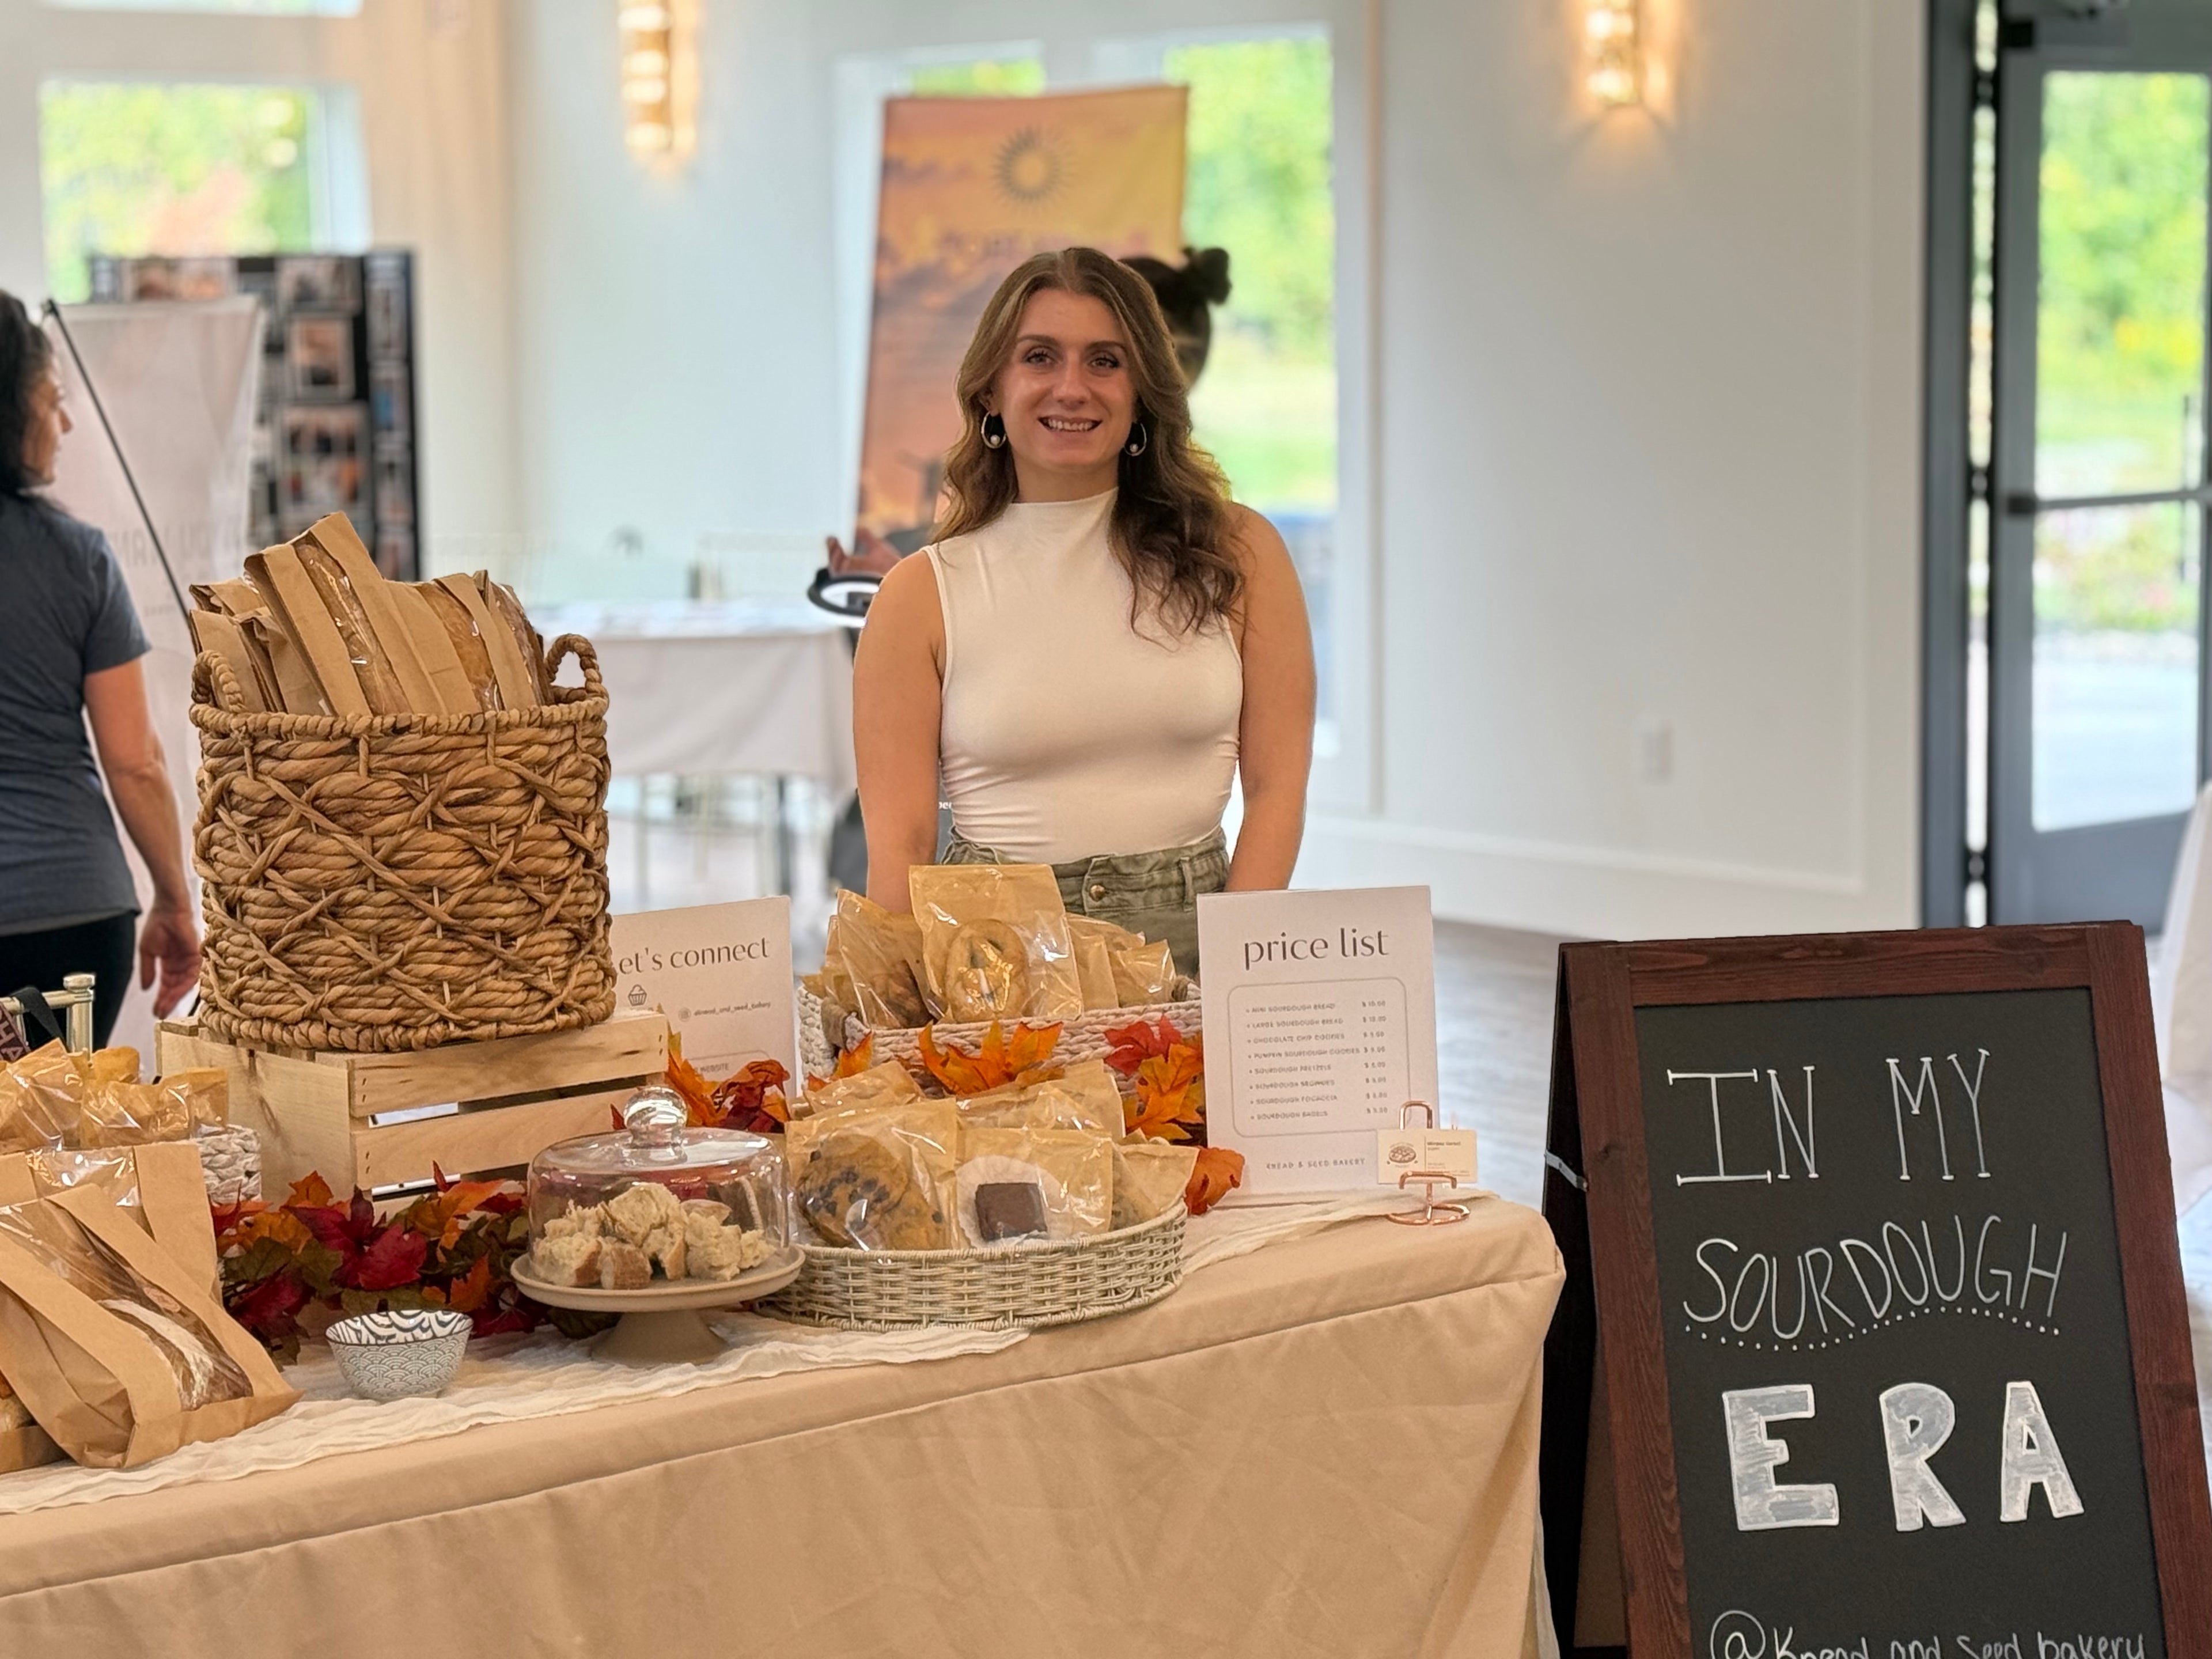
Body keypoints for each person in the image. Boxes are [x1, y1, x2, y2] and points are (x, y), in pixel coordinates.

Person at [852, 247, 1314, 972]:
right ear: (991, 389)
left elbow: (1277, 789)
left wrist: (1234, 970)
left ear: (1143, 391)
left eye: (1105, 361)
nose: (1072, 388)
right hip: (993, 970)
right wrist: (894, 1008)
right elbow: (901, 853)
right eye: (1040, 357)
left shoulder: (1238, 554)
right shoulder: (919, 595)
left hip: (1199, 951)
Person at [0, 291, 200, 1044]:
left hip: (65, 914)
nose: (67, 424)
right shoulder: (77, 558)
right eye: (52, 401)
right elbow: (136, 761)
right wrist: (175, 902)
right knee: (55, 1122)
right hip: (71, 921)